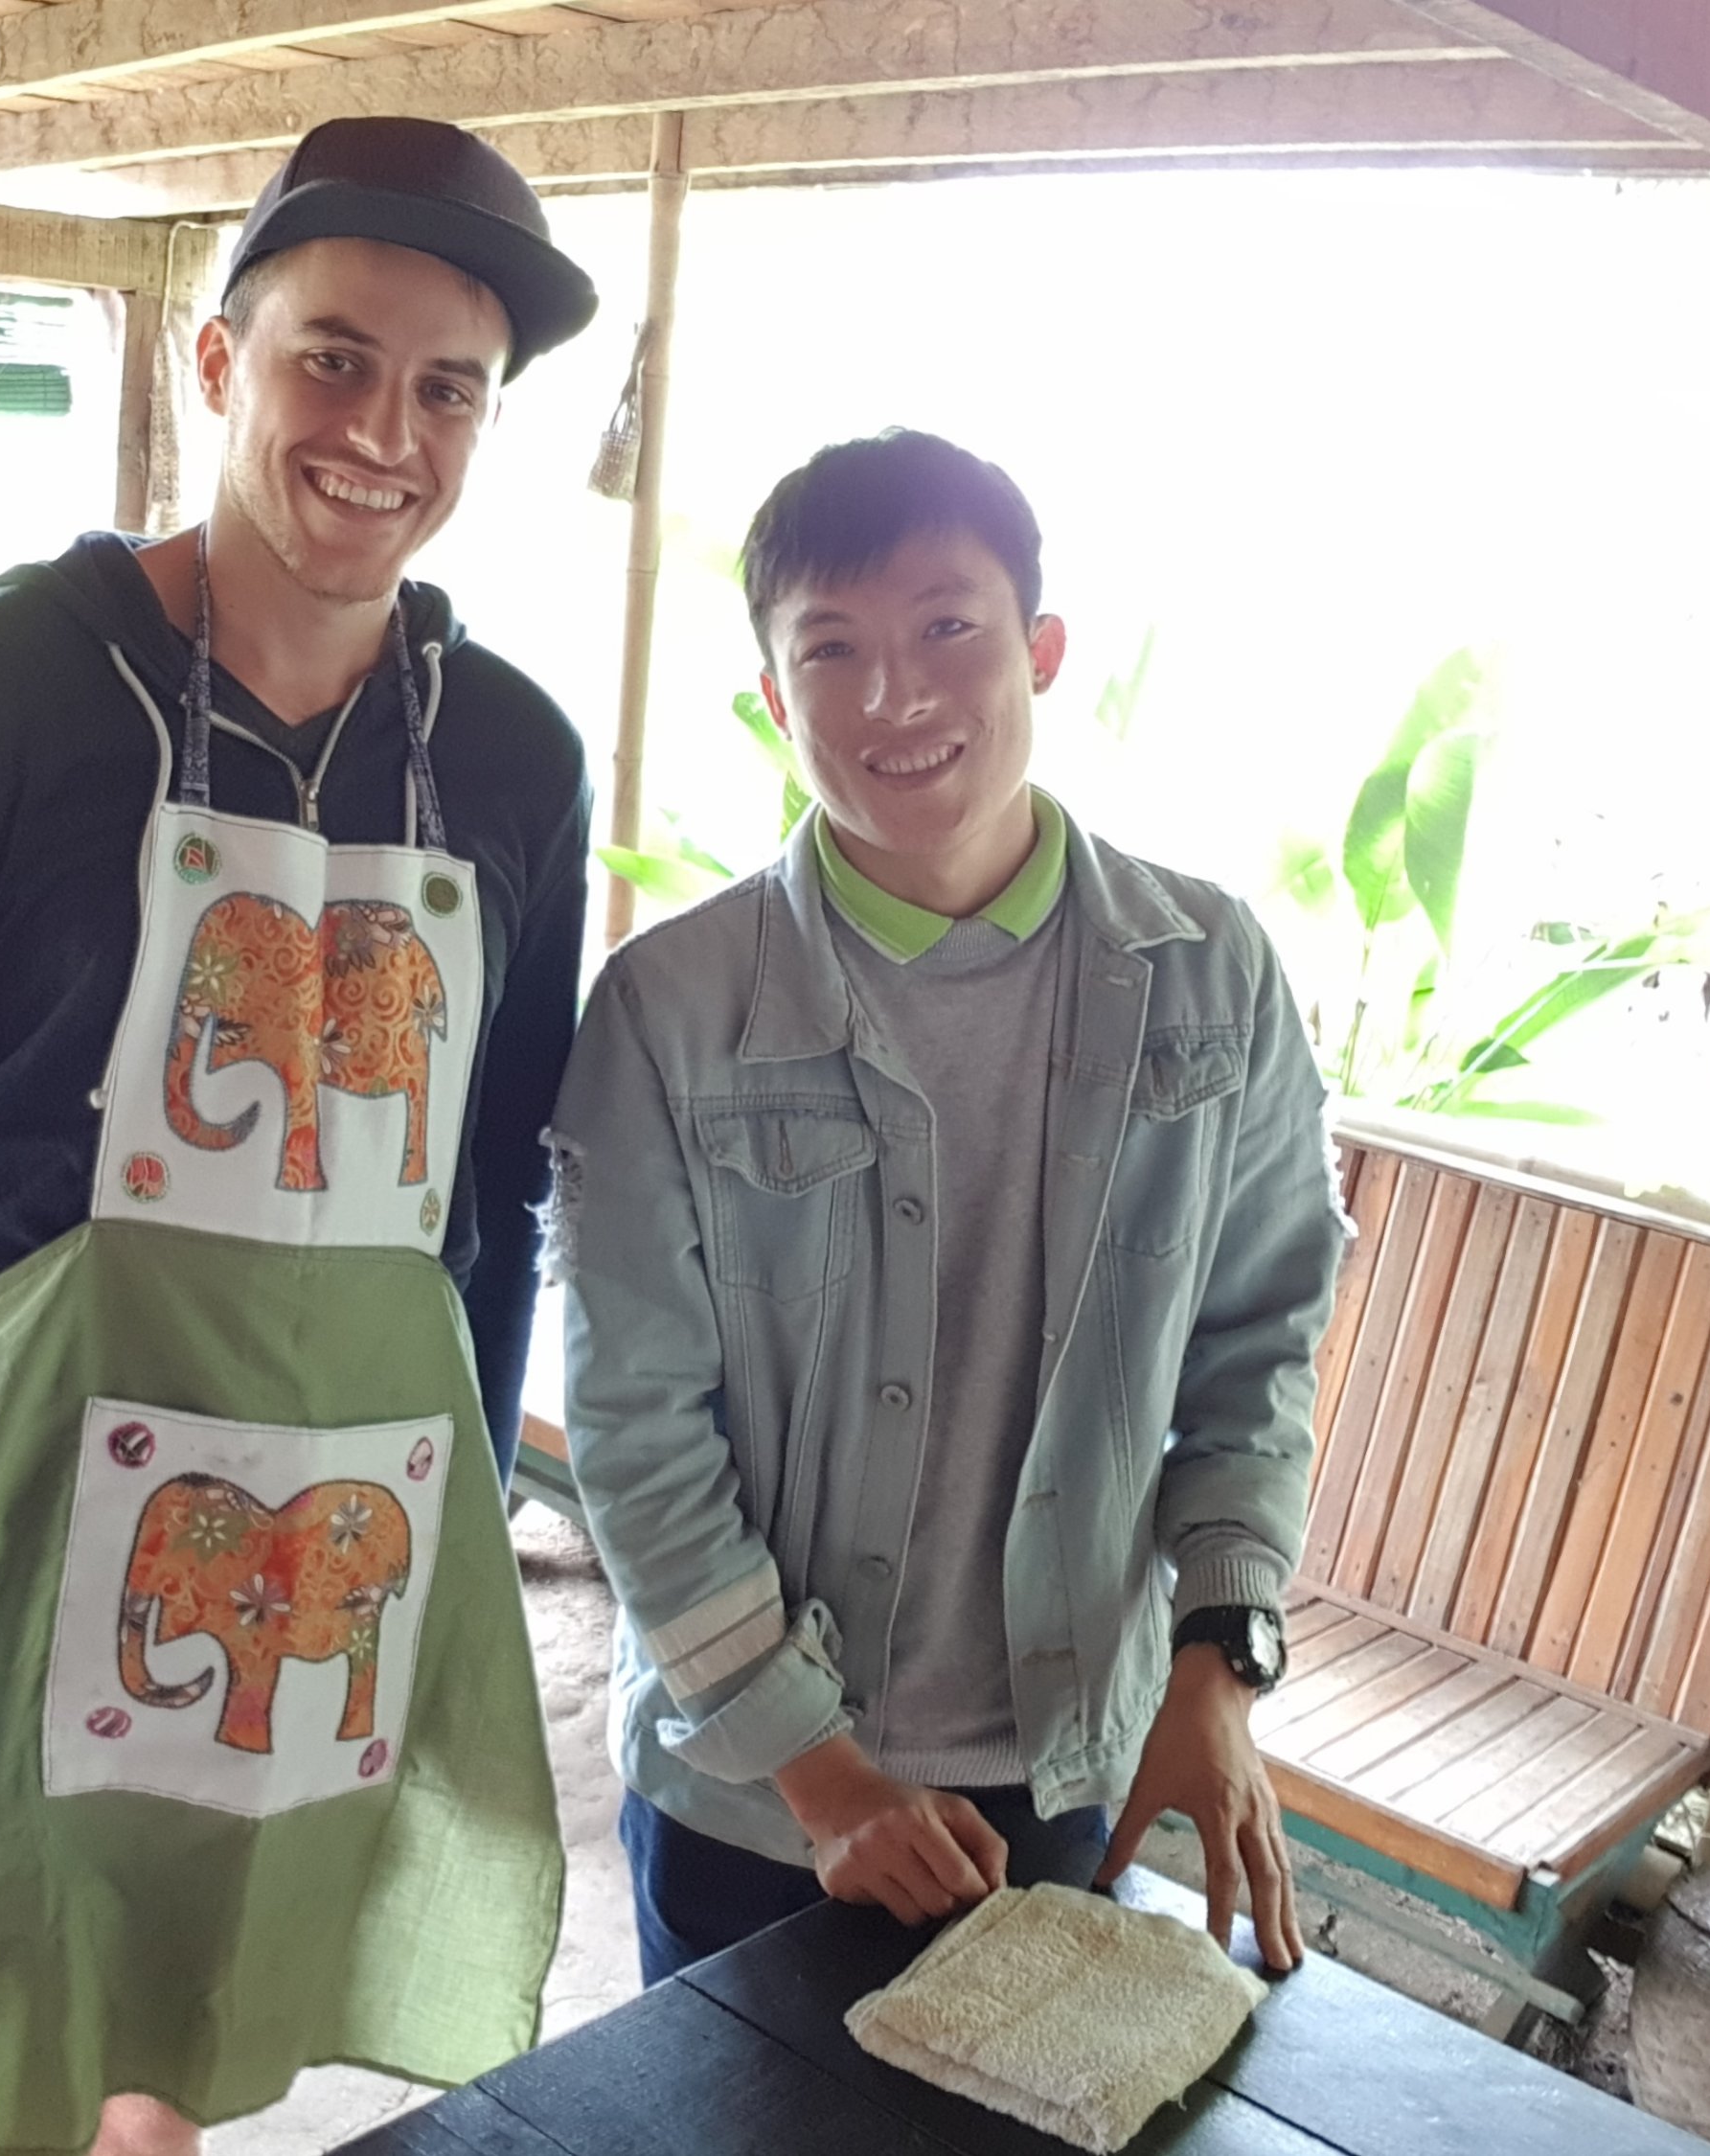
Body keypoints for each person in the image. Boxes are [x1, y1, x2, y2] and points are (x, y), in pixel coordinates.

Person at [0, 117, 598, 2155]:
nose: (384, 433)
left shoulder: (512, 753)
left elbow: (493, 1191)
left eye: (449, 390)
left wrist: (457, 1528)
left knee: (203, 1990)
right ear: (218, 361)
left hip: (333, 1507)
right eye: (335, 358)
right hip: (12, 1481)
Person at [548, 428, 1344, 1986]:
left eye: (946, 628)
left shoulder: (1211, 974)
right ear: (774, 697)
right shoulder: (666, 1012)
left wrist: (1219, 1663)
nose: (894, 696)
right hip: (755, 1793)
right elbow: (638, 1429)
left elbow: (1259, 1344)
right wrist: (822, 1773)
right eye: (832, 651)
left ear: (1041, 649)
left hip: (1062, 1764)